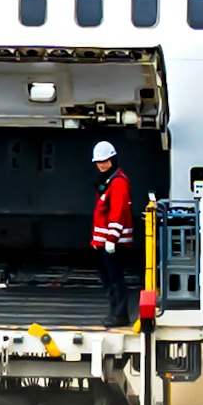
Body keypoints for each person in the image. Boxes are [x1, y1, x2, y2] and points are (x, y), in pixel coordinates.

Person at [87, 140, 137, 328]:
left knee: (115, 280)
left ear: (112, 159)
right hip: (103, 242)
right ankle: (114, 312)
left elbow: (118, 212)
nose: (101, 165)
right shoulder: (109, 181)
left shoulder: (118, 183)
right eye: (98, 162)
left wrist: (111, 239)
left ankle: (120, 315)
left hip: (113, 243)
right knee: (108, 279)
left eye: (105, 161)